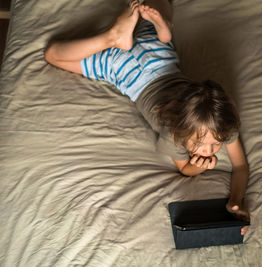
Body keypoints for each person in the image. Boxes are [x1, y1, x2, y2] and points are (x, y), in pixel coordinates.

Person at [45, 0, 250, 235]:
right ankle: (111, 38)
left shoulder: (221, 120)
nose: (208, 151)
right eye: (199, 144)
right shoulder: (174, 132)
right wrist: (198, 168)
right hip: (123, 69)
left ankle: (160, 28)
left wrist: (236, 201)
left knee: (159, 5)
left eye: (216, 144)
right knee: (53, 55)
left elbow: (240, 166)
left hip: (159, 53)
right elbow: (187, 169)